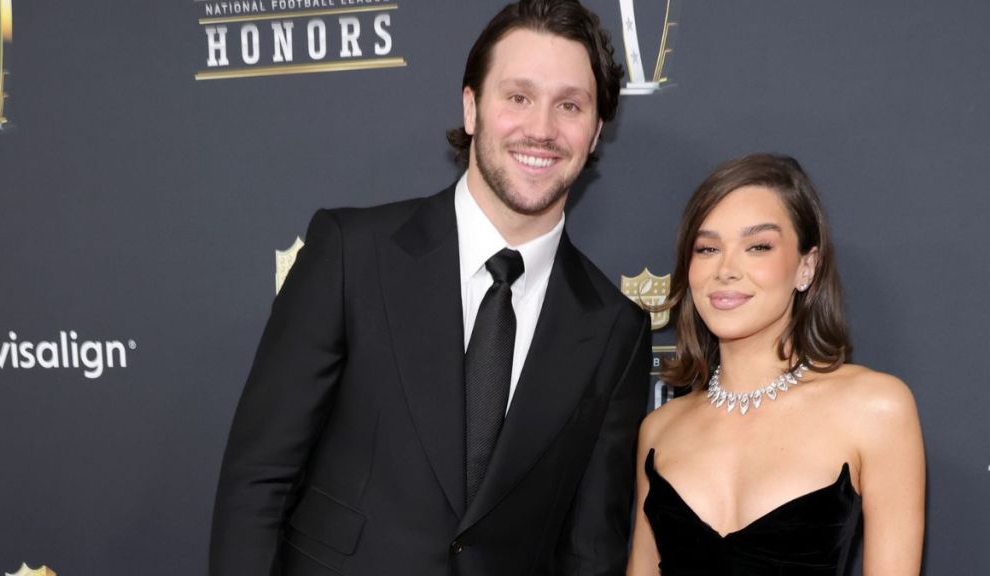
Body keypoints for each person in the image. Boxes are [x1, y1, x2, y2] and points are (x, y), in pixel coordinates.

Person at [209, 2, 651, 575]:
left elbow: (589, 551)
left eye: (569, 105)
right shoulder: (353, 253)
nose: (541, 129)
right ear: (472, 108)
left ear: (594, 133)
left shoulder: (615, 329)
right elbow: (259, 479)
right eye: (518, 97)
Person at [626, 154, 925, 575]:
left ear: (807, 265)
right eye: (707, 248)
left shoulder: (875, 409)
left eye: (758, 247)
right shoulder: (661, 429)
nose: (725, 270)